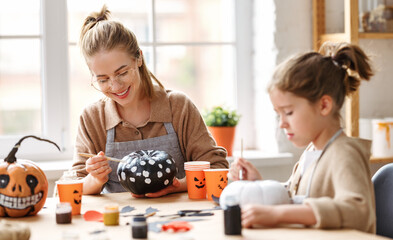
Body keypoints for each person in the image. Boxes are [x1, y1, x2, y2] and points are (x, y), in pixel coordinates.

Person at [71, 6, 228, 196]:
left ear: (139, 58)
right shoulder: (92, 118)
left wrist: (179, 185)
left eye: (122, 73)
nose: (115, 86)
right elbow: (72, 188)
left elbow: (217, 167)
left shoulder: (178, 107)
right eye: (103, 79)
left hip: (178, 219)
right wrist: (94, 179)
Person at [228, 42, 376, 233]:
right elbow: (296, 197)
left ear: (324, 106)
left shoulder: (344, 153)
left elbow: (357, 211)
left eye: (288, 112)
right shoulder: (312, 151)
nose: (282, 123)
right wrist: (258, 183)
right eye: (278, 115)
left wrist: (277, 215)